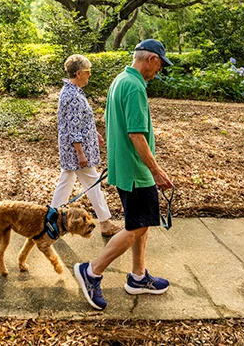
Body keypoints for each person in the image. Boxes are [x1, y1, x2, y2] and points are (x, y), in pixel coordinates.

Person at [73, 39, 174, 311]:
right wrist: (157, 170)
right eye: (160, 65)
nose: (159, 71)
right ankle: (91, 271)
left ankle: (138, 277)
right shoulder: (134, 87)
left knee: (141, 222)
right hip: (136, 171)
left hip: (124, 168)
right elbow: (136, 134)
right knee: (137, 227)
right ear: (151, 59)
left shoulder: (120, 80)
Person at [50, 54, 122, 238]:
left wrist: (94, 133)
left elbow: (78, 122)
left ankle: (51, 222)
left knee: (65, 183)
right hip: (76, 152)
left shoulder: (70, 91)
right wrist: (80, 153)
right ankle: (105, 224)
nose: (90, 75)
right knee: (92, 183)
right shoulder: (73, 96)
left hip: (71, 149)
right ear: (80, 73)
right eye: (88, 72)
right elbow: (73, 128)